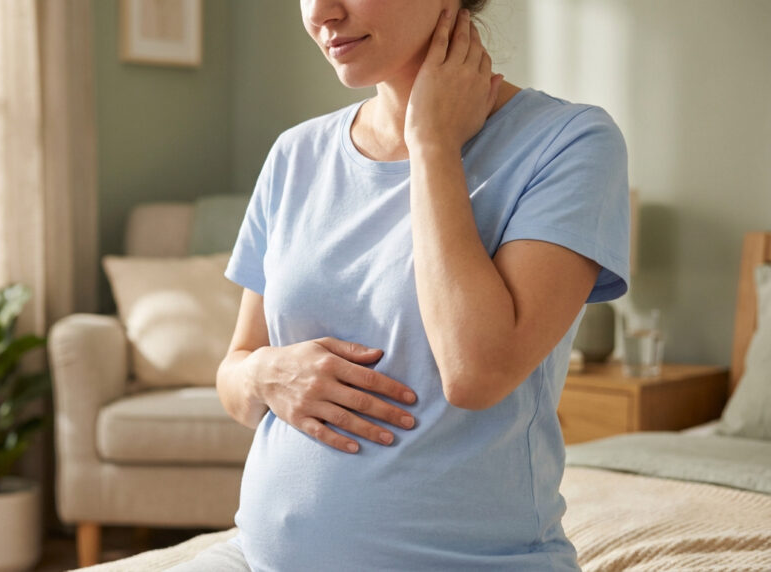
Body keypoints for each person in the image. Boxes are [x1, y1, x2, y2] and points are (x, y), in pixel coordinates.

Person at [171, 0, 629, 570]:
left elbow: (476, 372)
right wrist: (267, 374)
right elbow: (236, 374)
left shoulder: (569, 142)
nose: (321, 12)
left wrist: (432, 145)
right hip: (258, 558)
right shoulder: (294, 155)